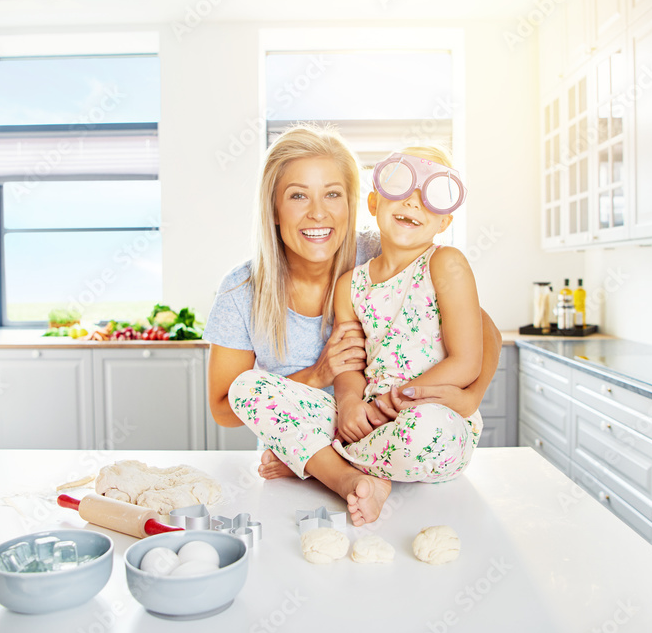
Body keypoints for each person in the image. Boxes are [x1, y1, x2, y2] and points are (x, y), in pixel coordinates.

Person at [204, 124, 502, 525]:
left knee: (430, 428)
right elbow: (225, 408)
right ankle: (345, 477)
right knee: (246, 385)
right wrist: (319, 375)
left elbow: (486, 335)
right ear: (273, 208)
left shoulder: (396, 249)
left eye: (332, 194)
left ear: (354, 203)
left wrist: (471, 398)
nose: (318, 213)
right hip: (341, 424)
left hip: (391, 427)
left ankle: (316, 462)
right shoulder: (242, 290)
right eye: (297, 195)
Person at [331, 146, 481, 485]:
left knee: (424, 431)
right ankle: (345, 459)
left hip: (431, 415)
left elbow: (466, 362)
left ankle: (325, 462)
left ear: (444, 221)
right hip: (367, 415)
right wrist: (351, 402)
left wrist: (386, 406)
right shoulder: (349, 285)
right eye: (401, 186)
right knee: (252, 388)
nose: (414, 202)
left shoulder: (447, 264)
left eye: (432, 195)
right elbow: (349, 365)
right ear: (374, 204)